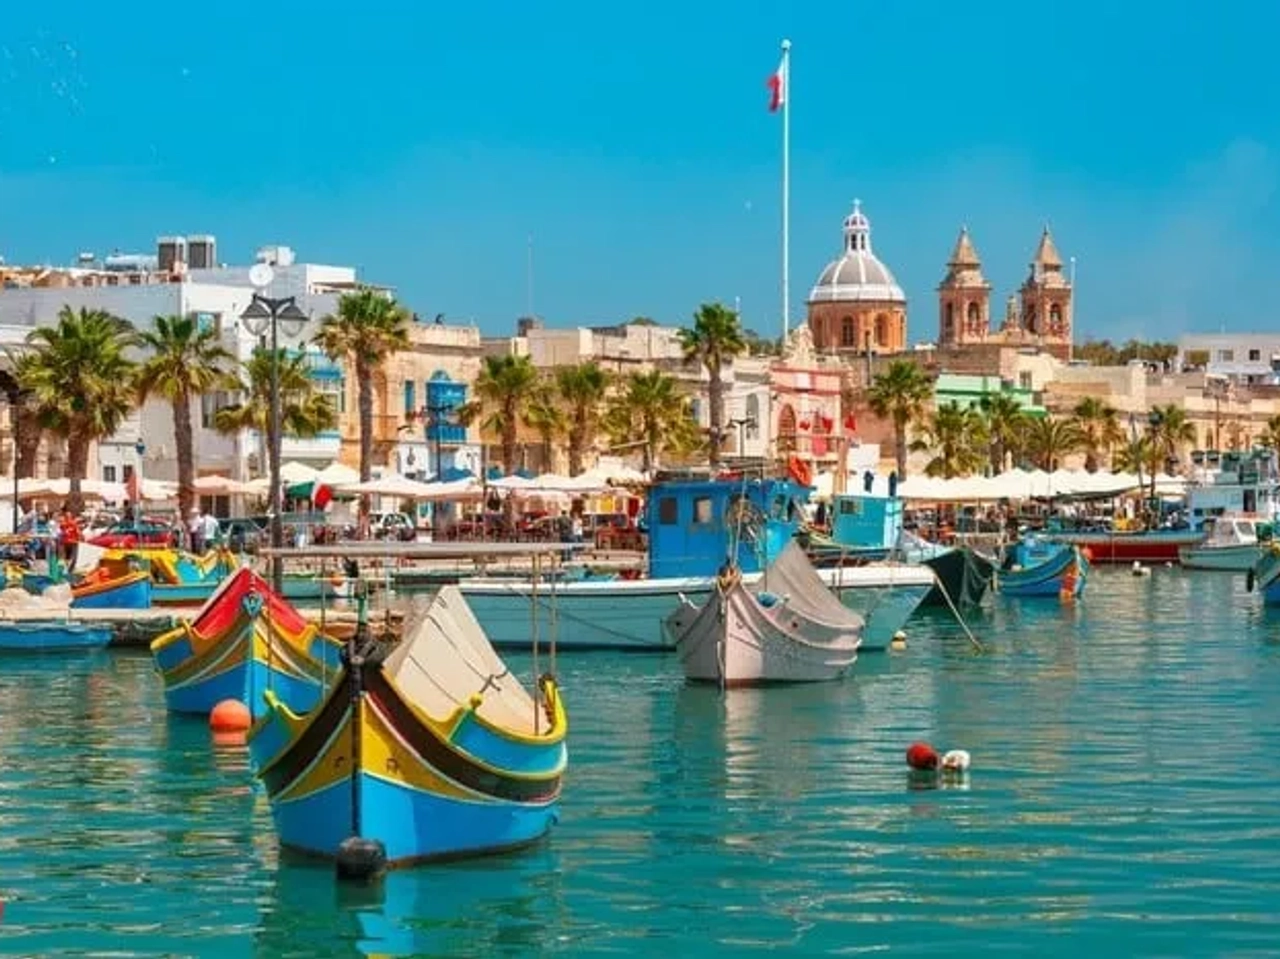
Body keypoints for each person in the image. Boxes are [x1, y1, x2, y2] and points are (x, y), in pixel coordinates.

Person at [57, 505, 80, 570]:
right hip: (66, 542)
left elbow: (77, 532)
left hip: (71, 542)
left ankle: (68, 568)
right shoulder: (64, 524)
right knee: (64, 556)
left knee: (71, 557)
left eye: (69, 516)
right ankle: (64, 568)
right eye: (67, 516)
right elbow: (60, 531)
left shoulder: (72, 523)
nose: (68, 517)